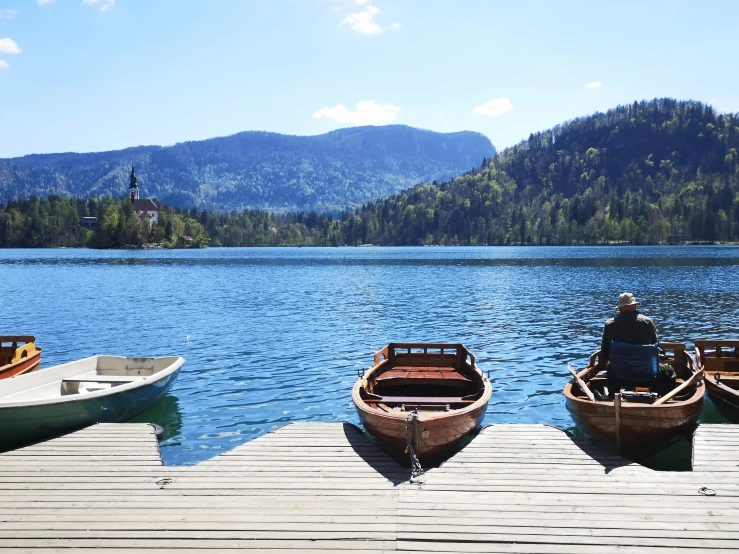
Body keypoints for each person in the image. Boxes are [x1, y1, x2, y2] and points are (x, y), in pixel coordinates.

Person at [600, 292, 658, 363]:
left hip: (618, 371)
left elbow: (605, 353)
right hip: (645, 369)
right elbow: (655, 346)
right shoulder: (648, 322)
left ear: (620, 308)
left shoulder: (609, 324)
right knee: (669, 369)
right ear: (634, 306)